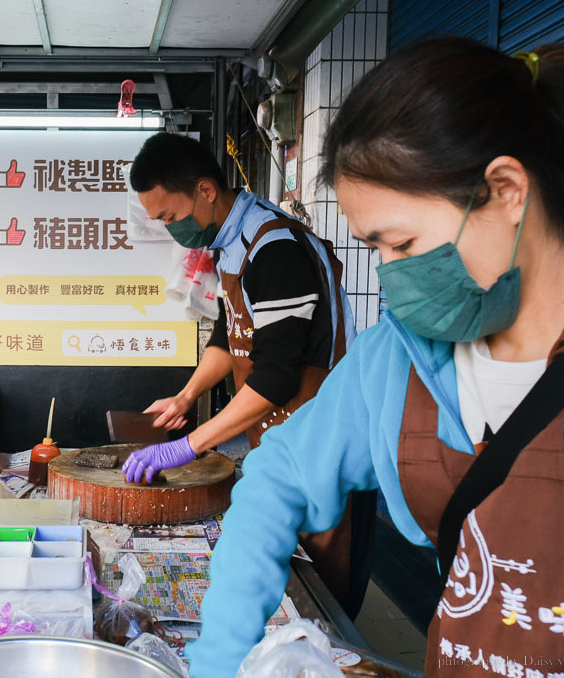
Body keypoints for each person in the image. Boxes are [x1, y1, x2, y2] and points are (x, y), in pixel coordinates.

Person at [187, 38, 564, 677]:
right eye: (375, 249)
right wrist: (216, 664)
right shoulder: (399, 356)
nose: (389, 276)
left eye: (404, 244)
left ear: (506, 190)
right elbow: (279, 479)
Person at [123, 132, 375, 617]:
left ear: (205, 190)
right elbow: (230, 334)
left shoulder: (274, 246)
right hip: (284, 451)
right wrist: (185, 397)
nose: (171, 230)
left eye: (171, 217)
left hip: (325, 453)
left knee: (319, 611)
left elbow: (276, 377)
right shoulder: (233, 243)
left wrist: (188, 445)